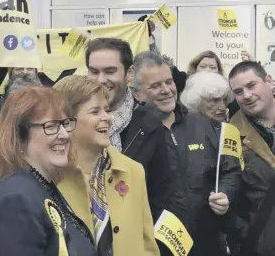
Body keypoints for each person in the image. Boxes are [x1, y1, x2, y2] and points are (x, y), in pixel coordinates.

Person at [132, 51, 241, 256]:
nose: (166, 90)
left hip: (208, 245)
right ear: (137, 93)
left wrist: (226, 193)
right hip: (158, 247)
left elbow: (230, 171)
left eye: (168, 82)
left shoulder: (204, 125)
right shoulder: (134, 134)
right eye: (155, 86)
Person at [0, 86, 98, 256]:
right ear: (20, 135)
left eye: (65, 124)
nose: (64, 134)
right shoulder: (13, 198)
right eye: (51, 126)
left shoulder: (38, 184)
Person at [54, 75, 160, 256]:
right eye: (95, 112)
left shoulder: (133, 170)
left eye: (107, 110)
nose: (108, 118)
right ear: (67, 121)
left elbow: (147, 245)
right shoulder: (51, 175)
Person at [85, 37, 171, 222]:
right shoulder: (73, 121)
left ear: (129, 73)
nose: (100, 80)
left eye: (110, 71)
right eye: (94, 72)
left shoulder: (150, 125)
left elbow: (163, 196)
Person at [228, 61, 275, 256]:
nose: (247, 96)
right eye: (238, 92)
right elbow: (229, 190)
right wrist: (246, 233)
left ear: (269, 81)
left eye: (251, 85)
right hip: (263, 243)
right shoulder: (230, 134)